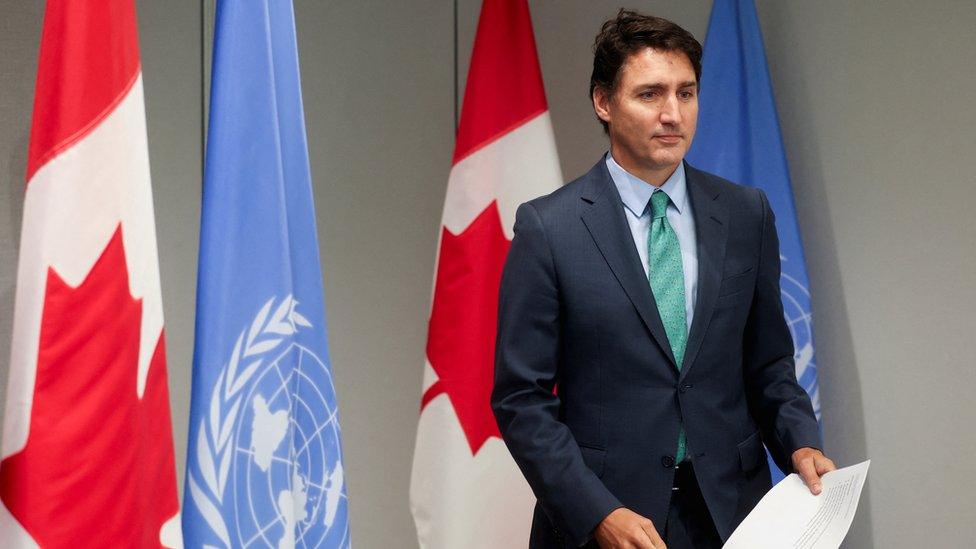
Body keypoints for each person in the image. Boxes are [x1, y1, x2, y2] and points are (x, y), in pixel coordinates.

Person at [491, 9, 835, 549]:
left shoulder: (746, 213)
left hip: (732, 514)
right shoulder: (548, 228)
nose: (672, 113)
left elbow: (768, 365)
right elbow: (521, 400)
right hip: (607, 519)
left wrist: (799, 442)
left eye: (686, 92)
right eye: (650, 94)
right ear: (604, 102)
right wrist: (597, 513)